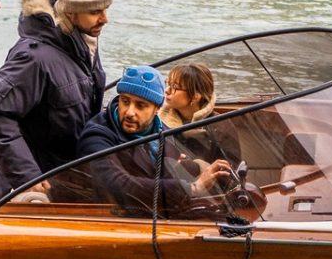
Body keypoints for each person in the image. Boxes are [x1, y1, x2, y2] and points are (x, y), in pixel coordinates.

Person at [0, 0, 111, 199]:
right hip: (35, 193)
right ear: (70, 12)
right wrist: (27, 177)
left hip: (68, 180)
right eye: (95, 12)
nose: (105, 18)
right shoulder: (33, 58)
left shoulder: (84, 45)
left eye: (106, 10)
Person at [73, 65, 233, 216]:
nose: (129, 112)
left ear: (157, 109)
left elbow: (167, 166)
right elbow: (119, 184)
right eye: (125, 101)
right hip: (111, 218)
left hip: (157, 214)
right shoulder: (96, 136)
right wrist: (192, 188)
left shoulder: (163, 131)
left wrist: (199, 168)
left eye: (140, 105)